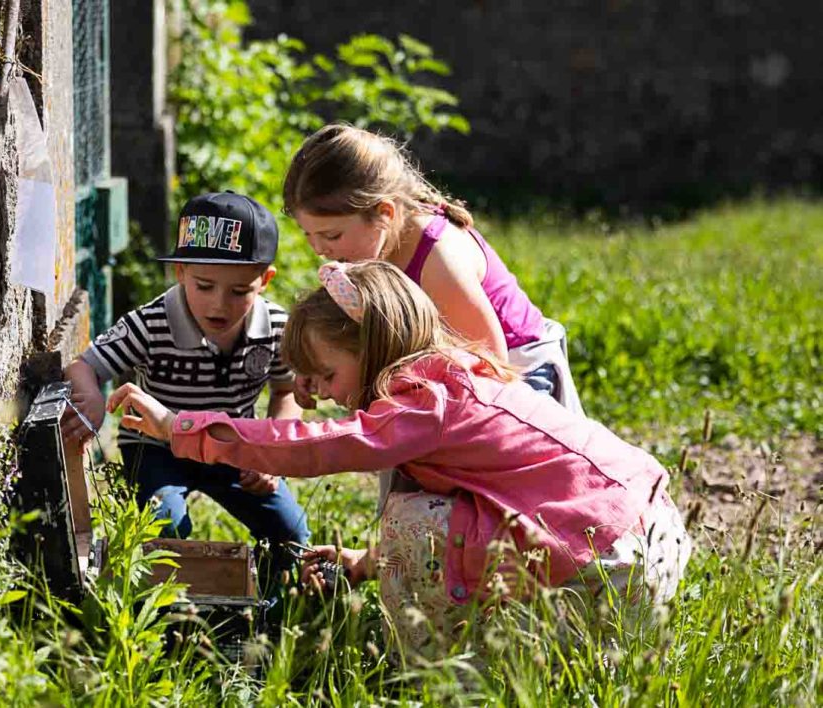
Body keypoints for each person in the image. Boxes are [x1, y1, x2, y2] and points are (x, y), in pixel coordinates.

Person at [106, 260, 691, 653]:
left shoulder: (424, 403)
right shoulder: (451, 379)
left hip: (612, 560)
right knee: (423, 517)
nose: (327, 394)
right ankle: (551, 649)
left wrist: (182, 427)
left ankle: (442, 672)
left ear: (375, 346)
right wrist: (365, 562)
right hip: (642, 533)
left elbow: (319, 445)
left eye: (329, 374)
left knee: (411, 521)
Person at [62, 191, 311, 586]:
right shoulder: (150, 324)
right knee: (165, 526)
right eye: (205, 285)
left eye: (239, 291)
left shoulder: (277, 328)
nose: (219, 305)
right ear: (180, 272)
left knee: (292, 533)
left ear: (264, 280)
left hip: (234, 448)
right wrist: (91, 397)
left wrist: (270, 456)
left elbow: (286, 391)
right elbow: (83, 366)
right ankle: (174, 607)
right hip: (158, 450)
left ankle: (269, 608)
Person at [282, 123, 582, 415]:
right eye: (307, 233)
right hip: (447, 373)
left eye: (331, 235)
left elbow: (489, 368)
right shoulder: (367, 251)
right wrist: (319, 363)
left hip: (518, 374)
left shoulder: (438, 261)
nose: (319, 249)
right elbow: (362, 334)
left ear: (384, 213)